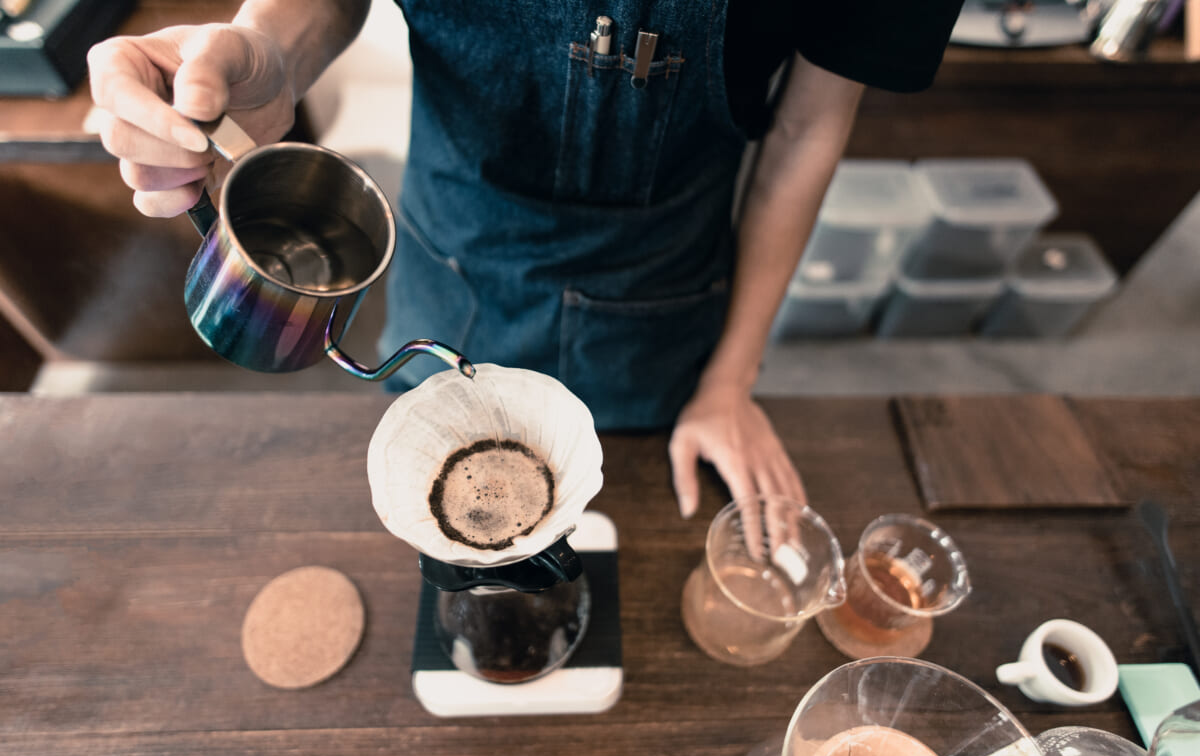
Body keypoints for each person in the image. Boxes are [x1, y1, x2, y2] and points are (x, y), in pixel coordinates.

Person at [87, 0, 964, 530]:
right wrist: (265, 46)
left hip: (660, 294)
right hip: (450, 254)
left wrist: (731, 380)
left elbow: (810, 125)